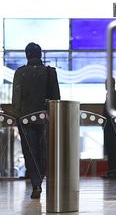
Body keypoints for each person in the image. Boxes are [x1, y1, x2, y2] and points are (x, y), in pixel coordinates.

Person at [12, 42, 60, 199]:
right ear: (40, 55)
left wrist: (19, 119)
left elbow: (16, 100)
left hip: (26, 120)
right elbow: (56, 99)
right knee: (45, 151)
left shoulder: (20, 73)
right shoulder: (50, 72)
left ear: (27, 55)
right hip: (46, 119)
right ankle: (43, 178)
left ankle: (36, 184)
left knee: (30, 152)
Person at [102, 77, 116, 178]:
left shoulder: (114, 96)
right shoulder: (109, 95)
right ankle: (111, 169)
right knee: (109, 148)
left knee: (113, 148)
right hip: (108, 127)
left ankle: (114, 170)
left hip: (112, 129)